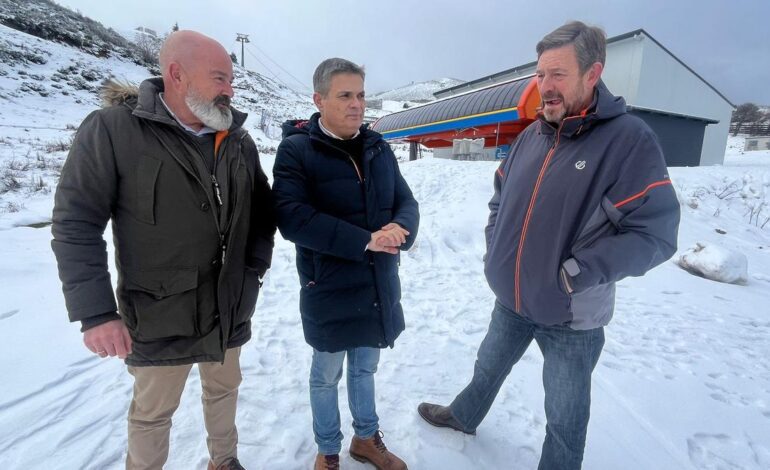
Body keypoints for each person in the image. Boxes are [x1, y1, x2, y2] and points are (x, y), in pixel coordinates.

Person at [417, 21, 680, 469]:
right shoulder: (532, 137)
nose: (545, 87)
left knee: (564, 416)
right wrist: (494, 246)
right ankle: (464, 415)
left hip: (570, 314)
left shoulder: (629, 141)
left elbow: (654, 233)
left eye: (557, 74)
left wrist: (577, 272)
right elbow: (500, 197)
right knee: (487, 366)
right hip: (512, 296)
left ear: (592, 74)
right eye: (541, 75)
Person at [51, 30, 275, 470]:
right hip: (157, 309)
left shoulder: (237, 141)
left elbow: (262, 214)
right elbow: (76, 223)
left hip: (229, 303)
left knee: (224, 390)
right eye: (219, 78)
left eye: (230, 80)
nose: (229, 89)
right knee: (153, 414)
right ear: (176, 74)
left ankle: (224, 461)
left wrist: (253, 270)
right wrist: (95, 313)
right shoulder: (114, 130)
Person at [272, 58, 419, 470]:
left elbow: (406, 202)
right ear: (318, 100)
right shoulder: (297, 150)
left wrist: (399, 229)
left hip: (376, 284)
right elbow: (292, 216)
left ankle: (366, 439)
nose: (357, 105)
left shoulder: (377, 146)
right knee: (326, 375)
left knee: (365, 369)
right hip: (330, 286)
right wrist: (365, 241)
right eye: (345, 96)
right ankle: (328, 449)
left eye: (360, 95)